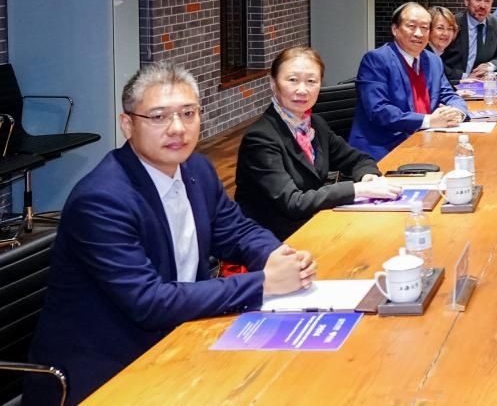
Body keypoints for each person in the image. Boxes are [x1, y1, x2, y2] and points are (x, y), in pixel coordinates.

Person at [27, 62, 315, 405]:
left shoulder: (196, 169)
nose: (177, 128)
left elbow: (237, 230)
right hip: (109, 370)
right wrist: (264, 282)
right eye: (159, 116)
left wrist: (277, 256)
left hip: (182, 336)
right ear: (127, 124)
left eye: (188, 113)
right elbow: (150, 302)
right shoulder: (102, 200)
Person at [235, 47, 402, 240]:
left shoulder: (315, 125)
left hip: (313, 223)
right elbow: (294, 202)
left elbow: (358, 159)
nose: (302, 90)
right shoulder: (260, 138)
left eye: (311, 81)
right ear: (273, 83)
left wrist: (368, 178)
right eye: (292, 80)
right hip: (272, 240)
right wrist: (357, 189)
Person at [348, 2, 469, 161]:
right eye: (411, 26)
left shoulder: (433, 61)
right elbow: (379, 110)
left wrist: (458, 112)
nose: (418, 33)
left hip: (426, 141)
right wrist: (429, 121)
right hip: (383, 147)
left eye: (424, 28)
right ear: (395, 29)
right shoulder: (376, 60)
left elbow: (448, 94)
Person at [439, 0, 497, 84]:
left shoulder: (495, 24)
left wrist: (490, 66)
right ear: (467, 1)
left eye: (487, 1)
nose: (483, 5)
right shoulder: (453, 24)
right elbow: (438, 60)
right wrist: (465, 77)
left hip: (482, 84)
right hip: (456, 84)